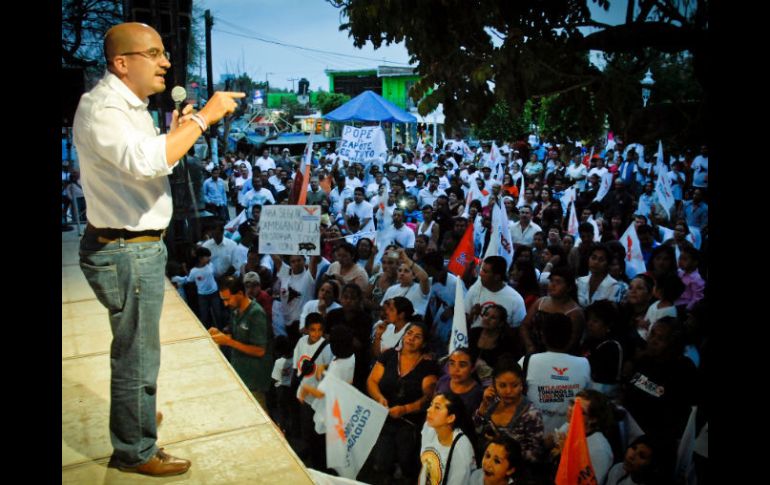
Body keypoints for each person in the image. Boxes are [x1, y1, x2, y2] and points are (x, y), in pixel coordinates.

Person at [74, 21, 243, 476]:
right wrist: (204, 117)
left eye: (165, 52)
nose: (166, 61)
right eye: (154, 53)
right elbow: (151, 160)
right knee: (137, 354)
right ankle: (134, 449)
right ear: (122, 62)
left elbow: (148, 155)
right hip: (124, 249)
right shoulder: (104, 108)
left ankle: (136, 418)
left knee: (140, 349)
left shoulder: (131, 106)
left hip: (136, 247)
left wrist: (181, 127)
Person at [368, 322, 441, 482]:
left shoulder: (428, 365)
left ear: (424, 343)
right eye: (409, 333)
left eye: (417, 336)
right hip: (384, 419)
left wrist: (405, 409)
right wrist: (379, 397)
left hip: (410, 424)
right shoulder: (389, 356)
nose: (411, 338)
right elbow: (372, 381)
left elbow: (428, 398)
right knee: (381, 463)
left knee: (407, 465)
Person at [210, 276, 273, 408]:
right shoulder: (235, 310)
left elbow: (259, 350)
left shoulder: (256, 314)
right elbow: (235, 335)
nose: (225, 304)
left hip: (254, 381)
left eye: (227, 299)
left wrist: (229, 342)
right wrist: (220, 334)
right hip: (239, 374)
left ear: (239, 293)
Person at [418, 392, 478, 485]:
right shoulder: (429, 428)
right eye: (431, 405)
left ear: (450, 418)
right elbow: (425, 467)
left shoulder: (461, 448)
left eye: (437, 407)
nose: (429, 410)